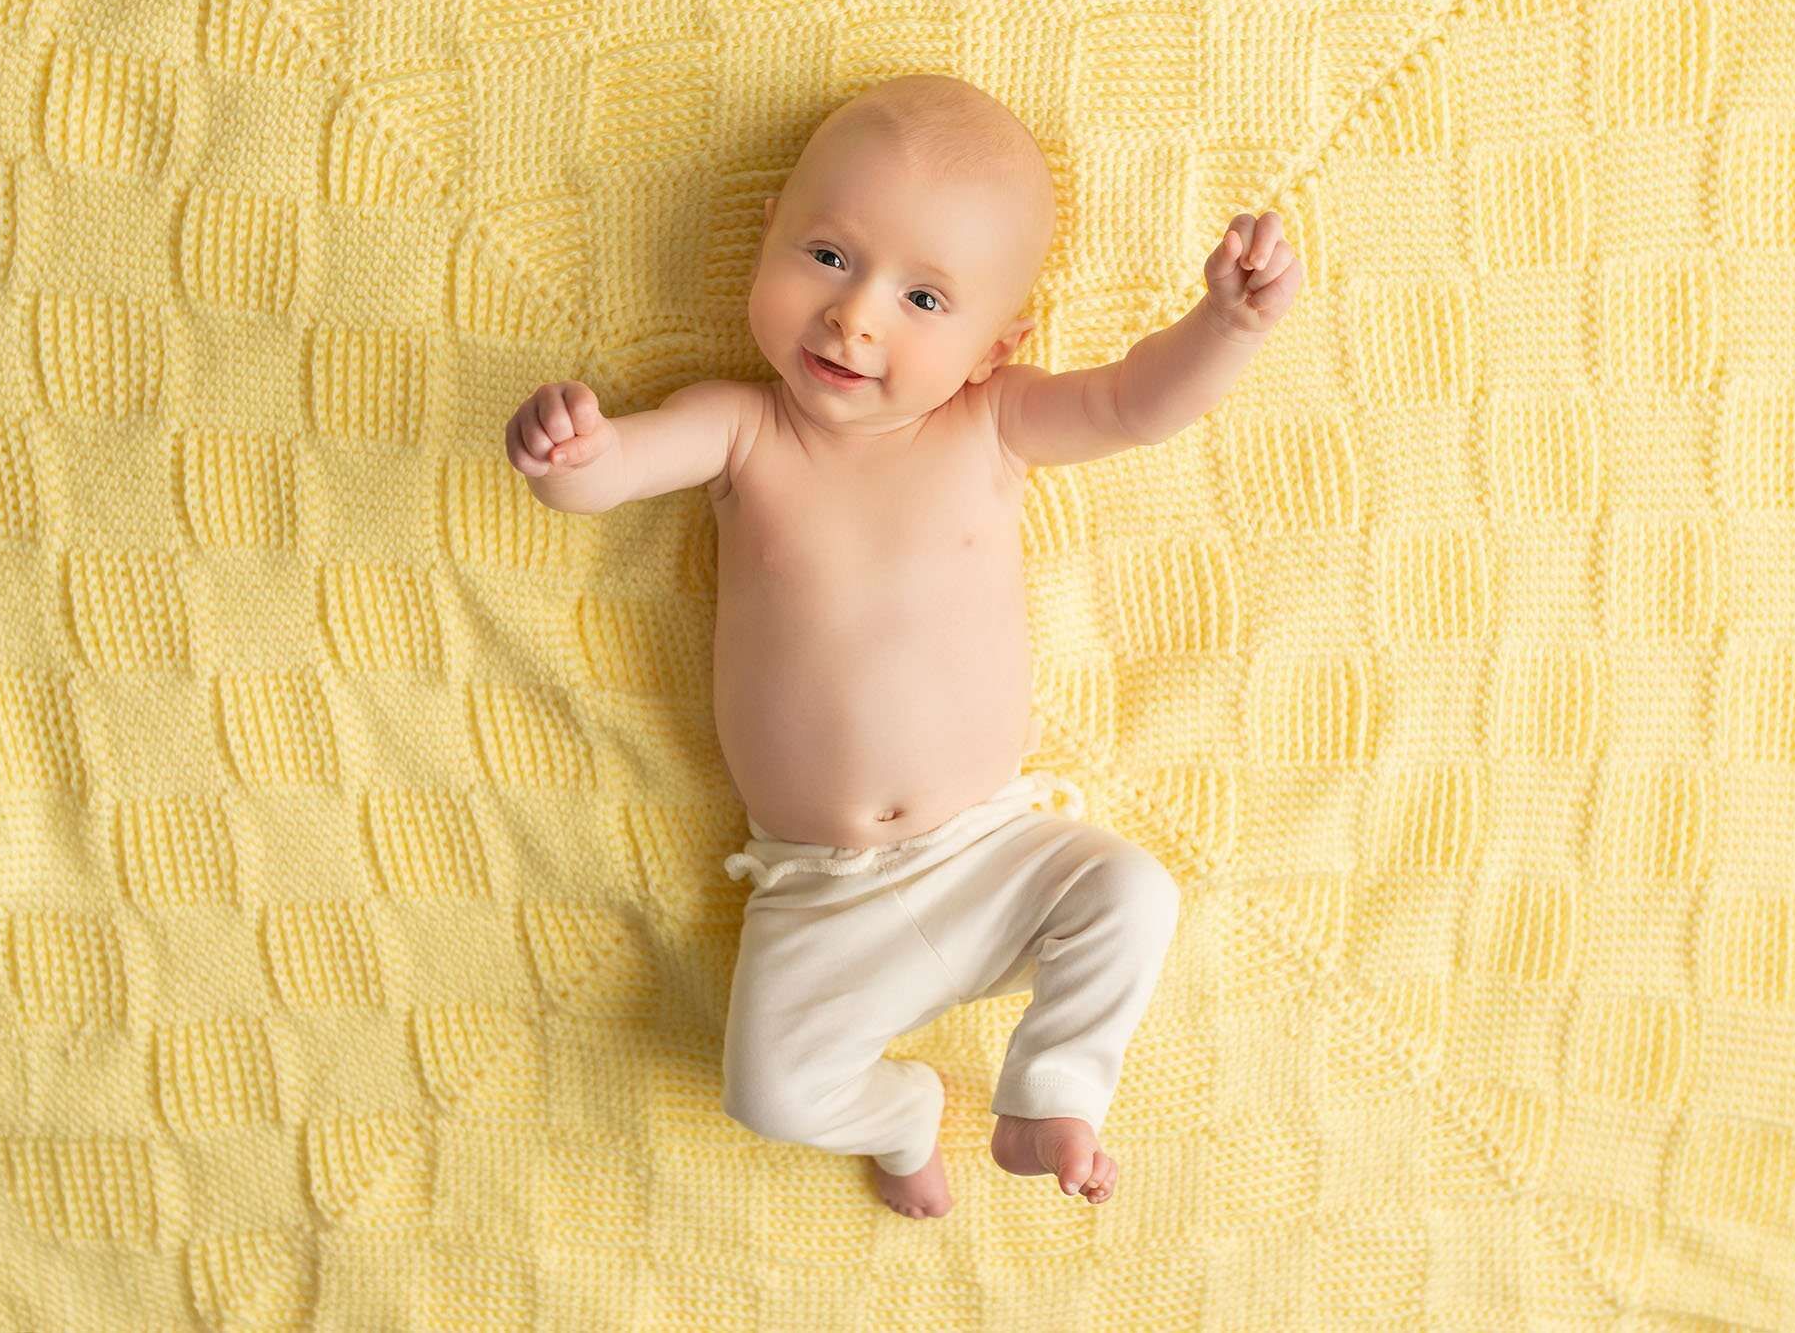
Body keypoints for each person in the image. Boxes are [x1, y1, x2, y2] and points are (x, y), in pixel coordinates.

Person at [504, 74, 1302, 1217]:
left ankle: (1050, 1094)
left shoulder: (990, 421)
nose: (855, 316)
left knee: (1131, 889)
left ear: (993, 345)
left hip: (990, 853)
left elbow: (1133, 402)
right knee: (769, 1092)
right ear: (767, 238)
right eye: (826, 256)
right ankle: (898, 1114)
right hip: (818, 888)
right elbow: (613, 470)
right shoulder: (741, 426)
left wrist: (1224, 324)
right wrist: (568, 454)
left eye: (924, 299)